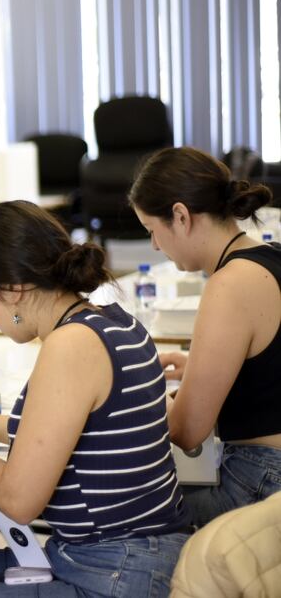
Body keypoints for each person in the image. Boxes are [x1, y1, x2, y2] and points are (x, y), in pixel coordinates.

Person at [0, 200, 191, 597]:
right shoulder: (115, 321)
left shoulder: (70, 345)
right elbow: (93, 433)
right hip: (127, 555)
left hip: (115, 573)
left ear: (12, 291)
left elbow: (20, 502)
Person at [130, 146, 281, 526]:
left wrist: (142, 393)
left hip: (261, 484)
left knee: (133, 522)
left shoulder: (229, 284)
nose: (155, 246)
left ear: (180, 216)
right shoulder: (271, 255)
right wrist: (197, 368)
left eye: (152, 231)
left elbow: (186, 431)